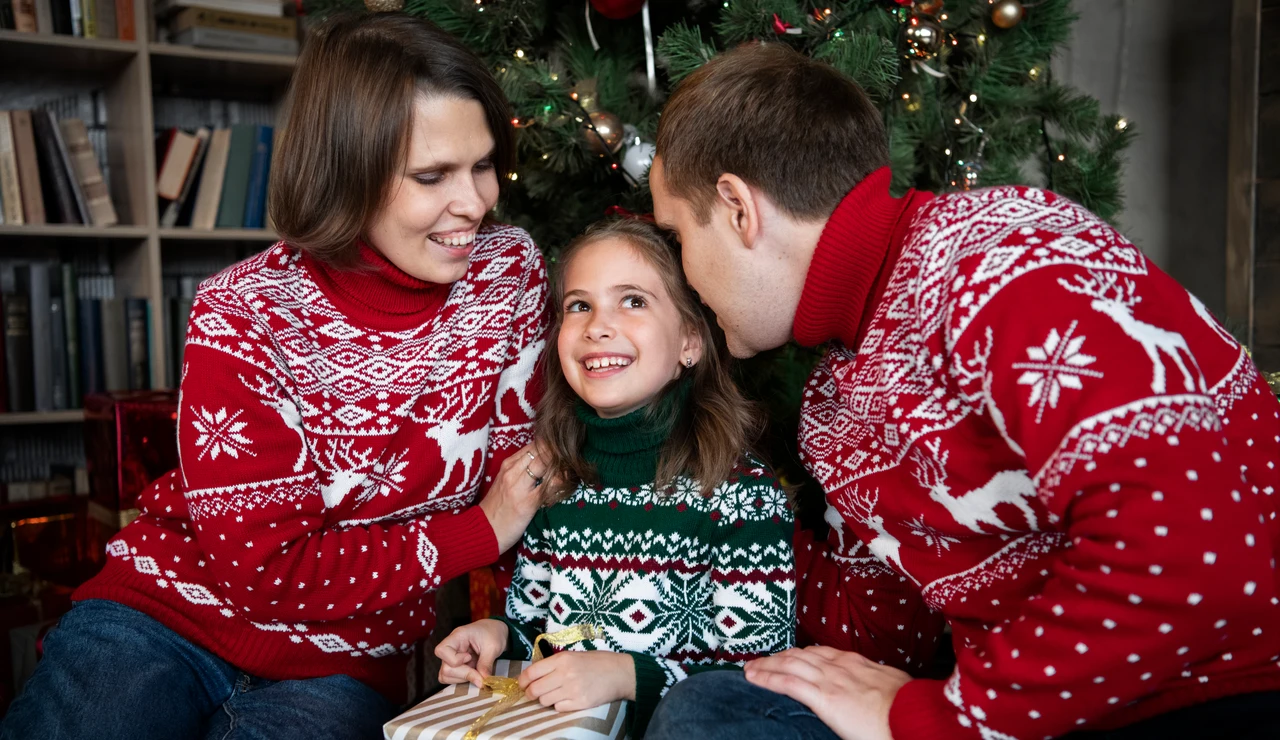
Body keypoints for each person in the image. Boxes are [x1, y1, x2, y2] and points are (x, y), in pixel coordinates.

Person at [645, 41, 1280, 740]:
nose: (685, 280)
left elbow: (1189, 560)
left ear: (738, 209)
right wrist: (695, 505)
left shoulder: (1006, 260)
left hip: (1202, 690)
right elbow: (879, 636)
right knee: (710, 709)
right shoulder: (836, 400)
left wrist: (944, 719)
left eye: (677, 238)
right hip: (1011, 701)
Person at [1, 13, 552, 740]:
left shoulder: (506, 274)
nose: (475, 203)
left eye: (483, 165)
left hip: (344, 658)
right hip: (165, 613)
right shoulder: (246, 307)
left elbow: (532, 481)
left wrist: (510, 620)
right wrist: (478, 529)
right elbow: (266, 568)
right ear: (348, 169)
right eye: (432, 175)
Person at [432, 218, 796, 736]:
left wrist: (630, 675)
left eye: (633, 301)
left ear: (690, 341)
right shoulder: (557, 482)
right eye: (579, 305)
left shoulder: (742, 494)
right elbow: (541, 630)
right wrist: (497, 634)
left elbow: (759, 677)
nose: (597, 326)